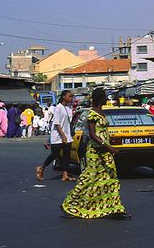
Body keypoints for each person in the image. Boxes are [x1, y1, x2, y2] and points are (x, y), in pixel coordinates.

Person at [61, 88, 131, 220]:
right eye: (104, 96)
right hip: (95, 152)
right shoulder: (92, 114)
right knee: (88, 179)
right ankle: (69, 204)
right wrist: (108, 148)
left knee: (110, 180)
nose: (106, 98)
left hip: (106, 152)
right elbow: (93, 135)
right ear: (100, 98)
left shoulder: (102, 113)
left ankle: (114, 209)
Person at [36, 90, 76, 182]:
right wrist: (63, 136)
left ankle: (65, 175)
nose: (71, 98)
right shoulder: (58, 107)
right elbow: (57, 123)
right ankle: (41, 167)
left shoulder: (69, 108)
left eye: (71, 96)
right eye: (69, 96)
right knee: (55, 154)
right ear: (63, 97)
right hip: (58, 136)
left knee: (66, 155)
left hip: (67, 135)